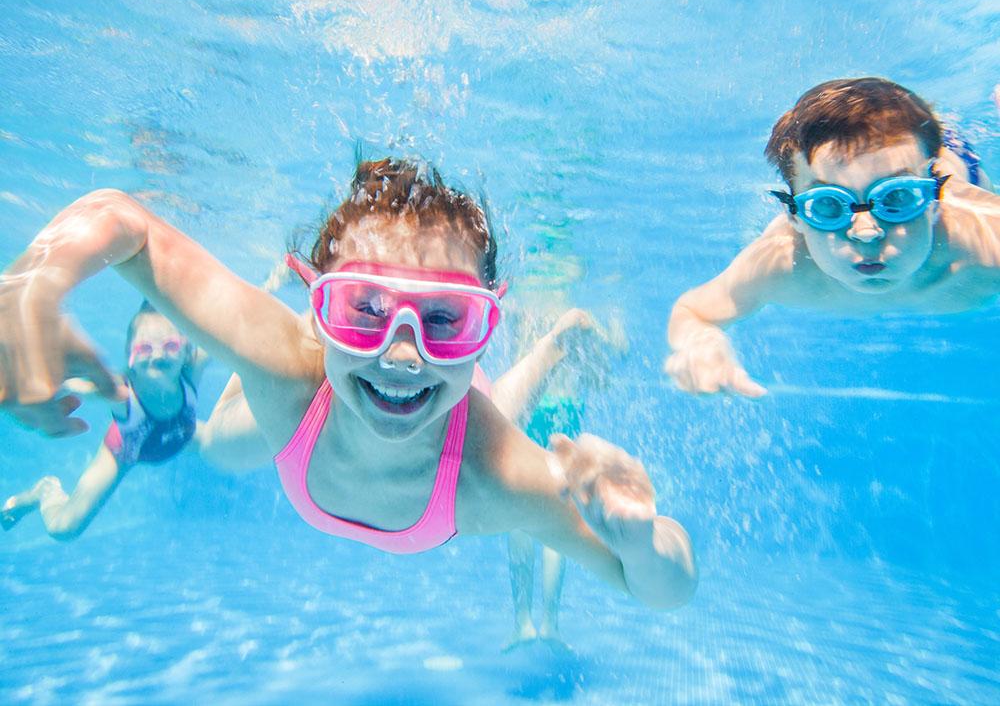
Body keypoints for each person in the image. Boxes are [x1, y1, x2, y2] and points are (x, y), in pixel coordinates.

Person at [0, 158, 697, 609]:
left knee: (491, 410)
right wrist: (26, 288)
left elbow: (667, 587)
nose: (402, 354)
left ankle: (550, 343)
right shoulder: (287, 364)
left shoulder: (499, 472)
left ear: (487, 317)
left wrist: (639, 539)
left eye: (446, 317)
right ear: (318, 307)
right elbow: (123, 222)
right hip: (305, 413)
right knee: (212, 443)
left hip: (456, 436)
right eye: (363, 308)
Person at [665, 77, 1000, 396]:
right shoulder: (781, 262)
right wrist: (700, 342)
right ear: (794, 216)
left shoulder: (987, 242)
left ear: (933, 201)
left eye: (897, 198)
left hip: (952, 156)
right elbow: (693, 312)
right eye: (828, 205)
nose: (866, 233)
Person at [1, 302, 207, 538]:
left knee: (225, 441)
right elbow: (73, 385)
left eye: (170, 346)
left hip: (182, 432)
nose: (158, 355)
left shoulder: (194, 368)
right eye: (145, 349)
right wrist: (32, 392)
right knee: (64, 529)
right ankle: (45, 490)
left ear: (187, 351)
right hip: (126, 449)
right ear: (130, 357)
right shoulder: (120, 392)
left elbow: (235, 334)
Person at [491, 307, 598, 648]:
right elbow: (599, 366)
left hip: (531, 409)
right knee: (556, 518)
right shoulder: (579, 317)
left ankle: (525, 622)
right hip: (564, 412)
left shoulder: (523, 314)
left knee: (520, 519)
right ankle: (547, 623)